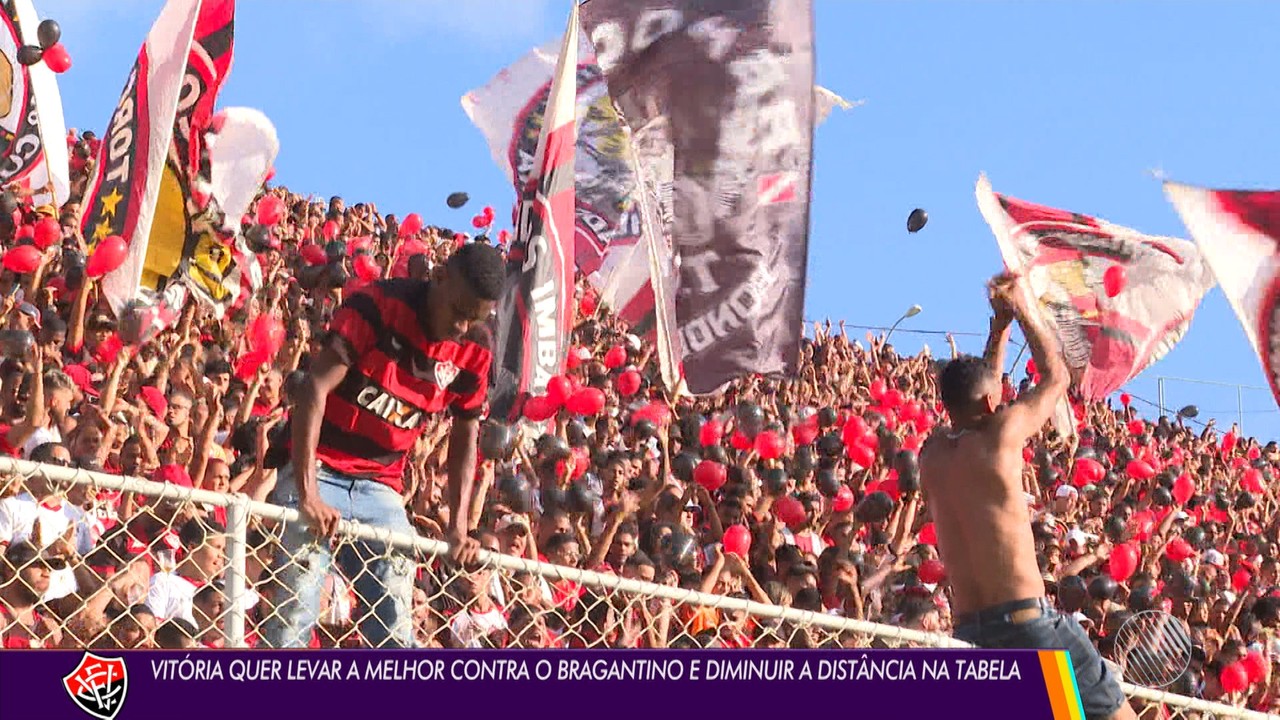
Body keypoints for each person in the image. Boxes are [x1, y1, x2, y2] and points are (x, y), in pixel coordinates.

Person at [261, 242, 504, 649]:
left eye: (474, 317)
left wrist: (458, 527)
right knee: (297, 610)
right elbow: (314, 389)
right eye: (459, 310)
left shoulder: (476, 346)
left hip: (381, 485)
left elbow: (466, 435)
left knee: (393, 621)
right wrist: (308, 493)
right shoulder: (378, 305)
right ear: (439, 277)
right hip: (319, 467)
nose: (462, 327)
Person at [921, 272, 1135, 720]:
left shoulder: (933, 454)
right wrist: (1022, 309)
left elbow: (985, 387)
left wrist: (998, 329)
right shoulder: (998, 437)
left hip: (971, 635)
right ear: (988, 407)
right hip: (1025, 627)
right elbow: (1057, 378)